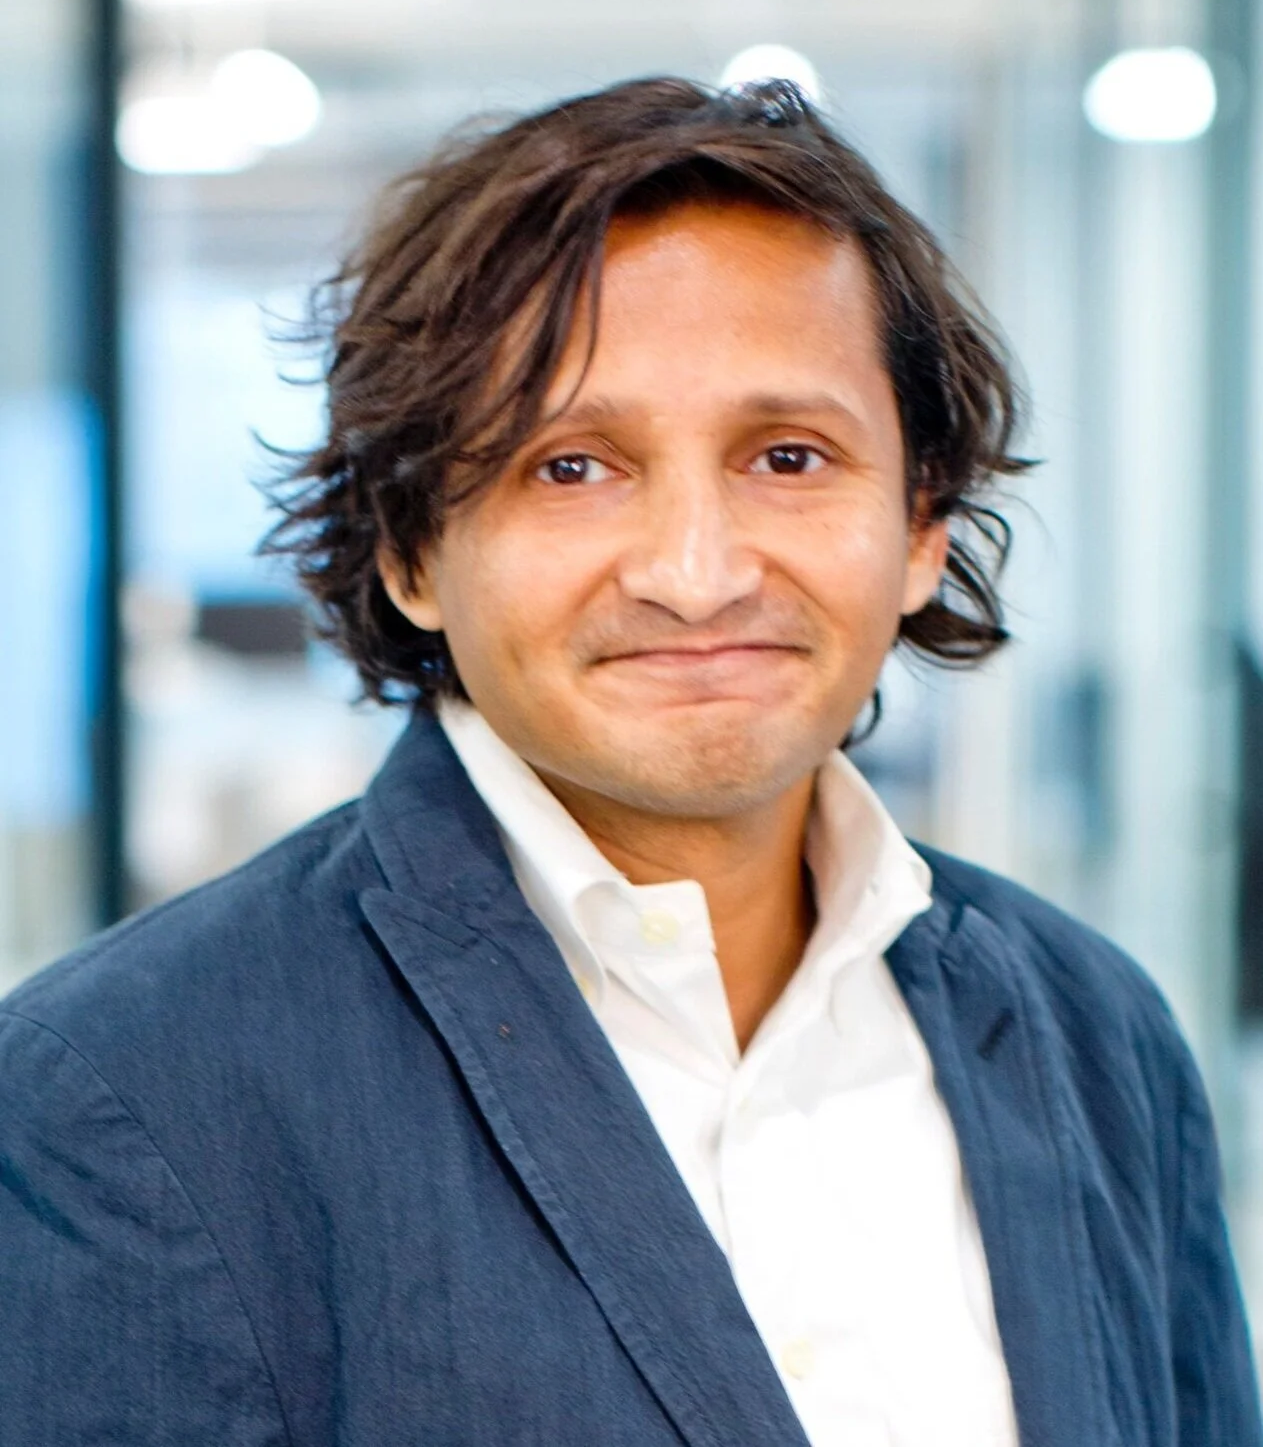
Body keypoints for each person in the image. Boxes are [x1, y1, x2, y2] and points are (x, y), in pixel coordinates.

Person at [1, 77, 1257, 1447]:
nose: (696, 574)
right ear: (411, 549)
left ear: (920, 526)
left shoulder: (1093, 1031)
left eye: (789, 456)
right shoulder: (126, 1087)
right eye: (572, 467)